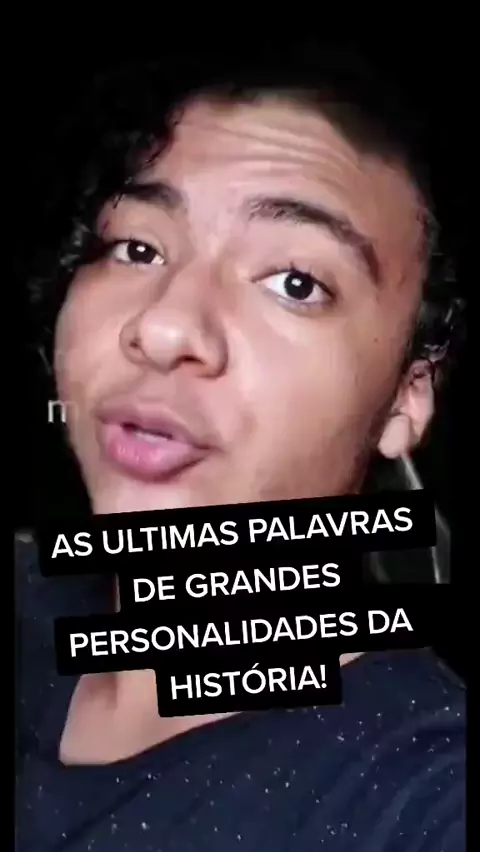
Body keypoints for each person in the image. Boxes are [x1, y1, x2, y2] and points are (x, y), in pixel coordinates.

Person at [16, 47, 466, 851]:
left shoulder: (420, 794)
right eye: (137, 247)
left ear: (407, 395)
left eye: (295, 282)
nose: (163, 327)